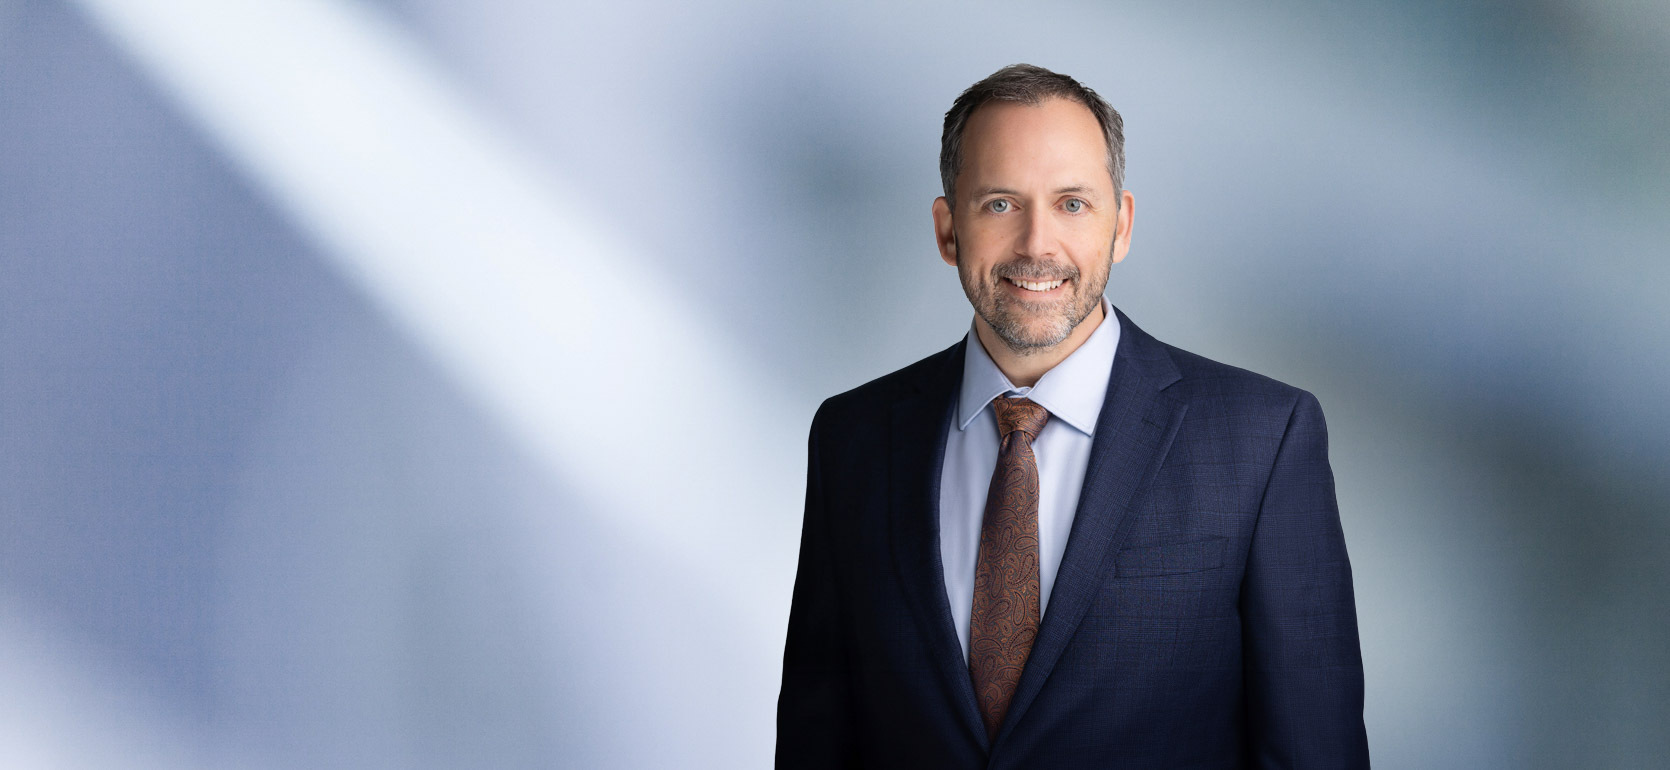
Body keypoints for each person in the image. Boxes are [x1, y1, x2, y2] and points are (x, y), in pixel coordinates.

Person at [776, 63, 1369, 768]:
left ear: (1120, 226)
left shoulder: (1262, 440)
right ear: (947, 229)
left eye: (1072, 205)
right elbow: (818, 740)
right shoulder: (855, 440)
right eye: (1000, 204)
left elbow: (1314, 752)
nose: (1036, 244)